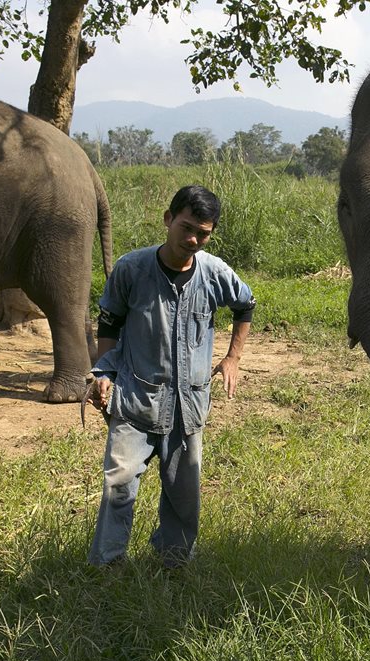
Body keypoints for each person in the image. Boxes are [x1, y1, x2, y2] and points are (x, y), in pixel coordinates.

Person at [85, 185, 256, 568]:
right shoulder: (132, 269)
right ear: (168, 219)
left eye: (204, 232)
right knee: (119, 484)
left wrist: (233, 358)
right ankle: (107, 566)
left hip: (189, 405)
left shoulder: (214, 274)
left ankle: (174, 564)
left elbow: (246, 305)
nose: (193, 239)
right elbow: (110, 321)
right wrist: (103, 372)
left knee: (184, 493)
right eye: (187, 227)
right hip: (135, 399)